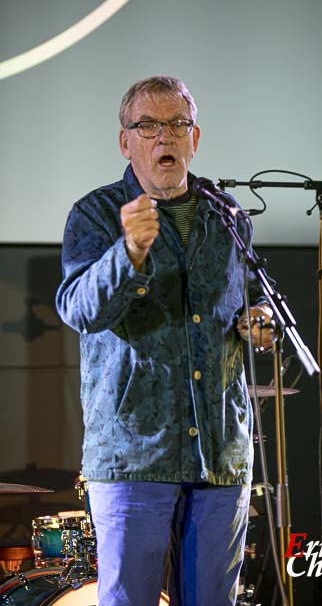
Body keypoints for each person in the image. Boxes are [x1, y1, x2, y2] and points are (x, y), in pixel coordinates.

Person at [56, 75, 274, 606]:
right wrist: (127, 253)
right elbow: (79, 309)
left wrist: (256, 320)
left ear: (194, 139)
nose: (163, 137)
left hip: (219, 451)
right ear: (125, 141)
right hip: (135, 453)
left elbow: (235, 304)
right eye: (147, 126)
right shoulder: (98, 214)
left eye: (176, 124)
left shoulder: (228, 217)